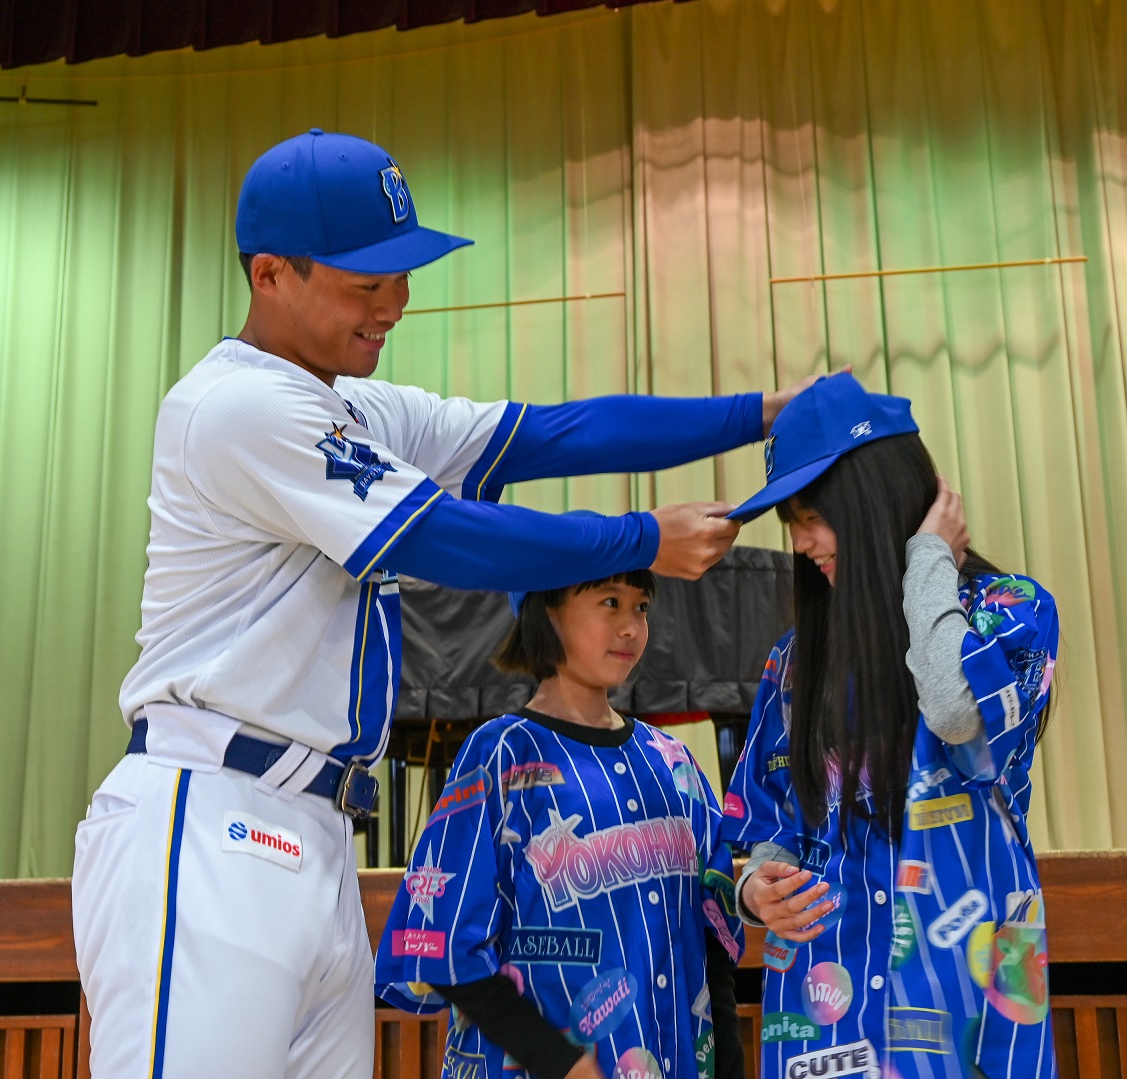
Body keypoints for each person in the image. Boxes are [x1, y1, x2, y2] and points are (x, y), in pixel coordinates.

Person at [70, 128, 814, 1079]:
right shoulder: (236, 406)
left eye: (402, 276)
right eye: (363, 282)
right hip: (210, 813)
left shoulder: (357, 408)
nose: (394, 304)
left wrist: (759, 413)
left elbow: (556, 433)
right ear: (270, 274)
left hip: (318, 825)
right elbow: (442, 537)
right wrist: (641, 540)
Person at [719, 372, 1060, 1079]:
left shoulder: (1011, 610)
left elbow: (957, 709)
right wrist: (758, 890)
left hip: (972, 986)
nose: (804, 543)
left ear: (873, 499)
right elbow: (767, 826)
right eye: (793, 525)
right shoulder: (795, 660)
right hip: (822, 992)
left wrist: (928, 559)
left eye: (815, 516)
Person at [375, 563, 745, 1079]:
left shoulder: (674, 760)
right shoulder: (501, 753)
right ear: (545, 612)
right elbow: (443, 943)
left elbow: (713, 940)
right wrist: (560, 1064)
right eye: (609, 602)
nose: (631, 626)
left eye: (641, 606)